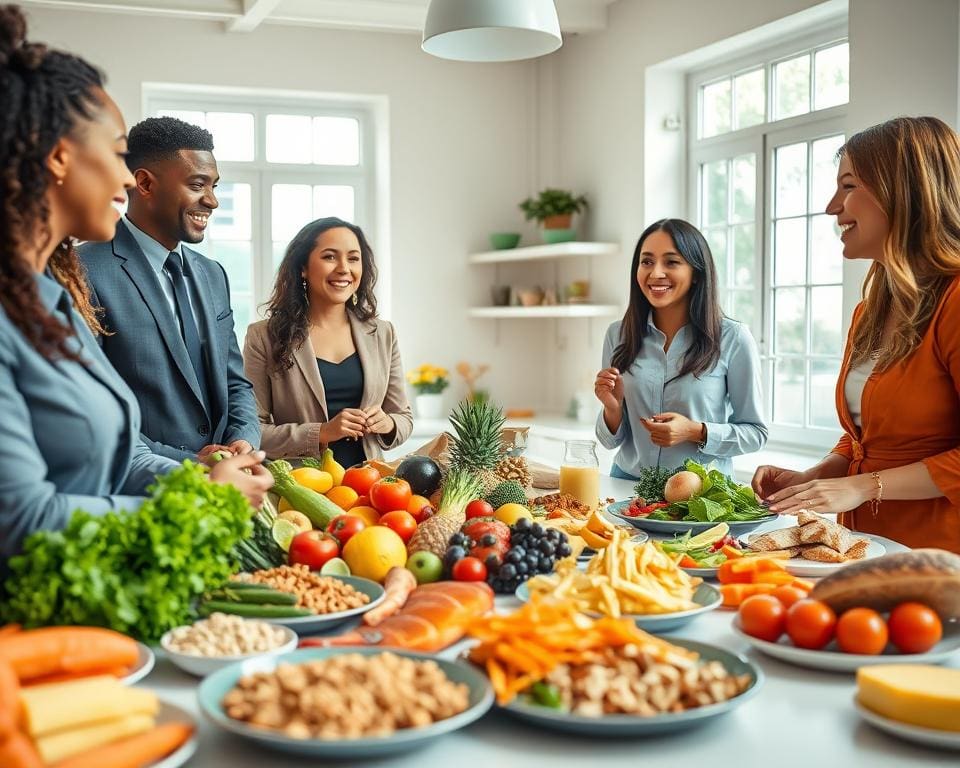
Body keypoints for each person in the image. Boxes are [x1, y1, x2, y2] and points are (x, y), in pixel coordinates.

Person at [0, 5, 272, 567]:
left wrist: (204, 487)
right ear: (58, 157)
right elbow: (21, 521)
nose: (127, 178)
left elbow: (120, 457)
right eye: (118, 154)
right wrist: (199, 499)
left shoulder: (52, 299)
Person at [753, 117, 960, 553]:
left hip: (937, 559)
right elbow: (866, 437)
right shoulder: (869, 312)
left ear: (902, 191)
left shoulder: (955, 301)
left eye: (848, 186)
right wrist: (819, 476)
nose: (832, 206)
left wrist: (865, 486)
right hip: (863, 547)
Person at [77, 116, 260, 464]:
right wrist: (190, 463)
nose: (212, 201)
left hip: (226, 483)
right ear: (144, 184)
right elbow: (92, 407)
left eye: (214, 187)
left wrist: (242, 439)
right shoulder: (82, 272)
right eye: (197, 184)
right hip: (140, 487)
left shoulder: (213, 274)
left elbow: (235, 382)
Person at [595, 218, 767, 479]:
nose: (656, 273)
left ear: (696, 272)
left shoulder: (733, 338)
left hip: (700, 496)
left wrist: (695, 431)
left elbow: (756, 433)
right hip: (627, 489)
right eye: (647, 262)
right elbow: (610, 442)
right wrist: (612, 408)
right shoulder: (618, 334)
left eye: (671, 262)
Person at [243, 217, 413, 464]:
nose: (344, 268)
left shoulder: (383, 333)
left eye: (353, 258)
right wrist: (322, 432)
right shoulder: (264, 336)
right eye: (330, 257)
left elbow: (403, 418)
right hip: (300, 489)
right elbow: (249, 430)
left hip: (369, 488)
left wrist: (387, 423)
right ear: (303, 266)